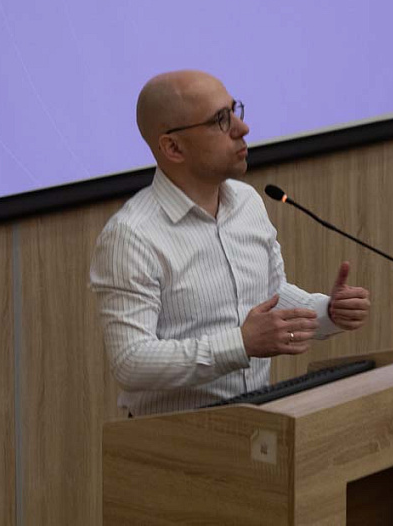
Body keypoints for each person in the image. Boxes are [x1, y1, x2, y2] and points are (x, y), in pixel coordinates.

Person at [89, 70, 371, 416]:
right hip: (176, 437)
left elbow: (269, 297)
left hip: (256, 421)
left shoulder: (248, 202)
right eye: (220, 120)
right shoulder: (131, 236)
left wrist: (327, 312)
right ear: (173, 147)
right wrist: (239, 344)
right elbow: (130, 362)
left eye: (234, 110)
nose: (242, 128)